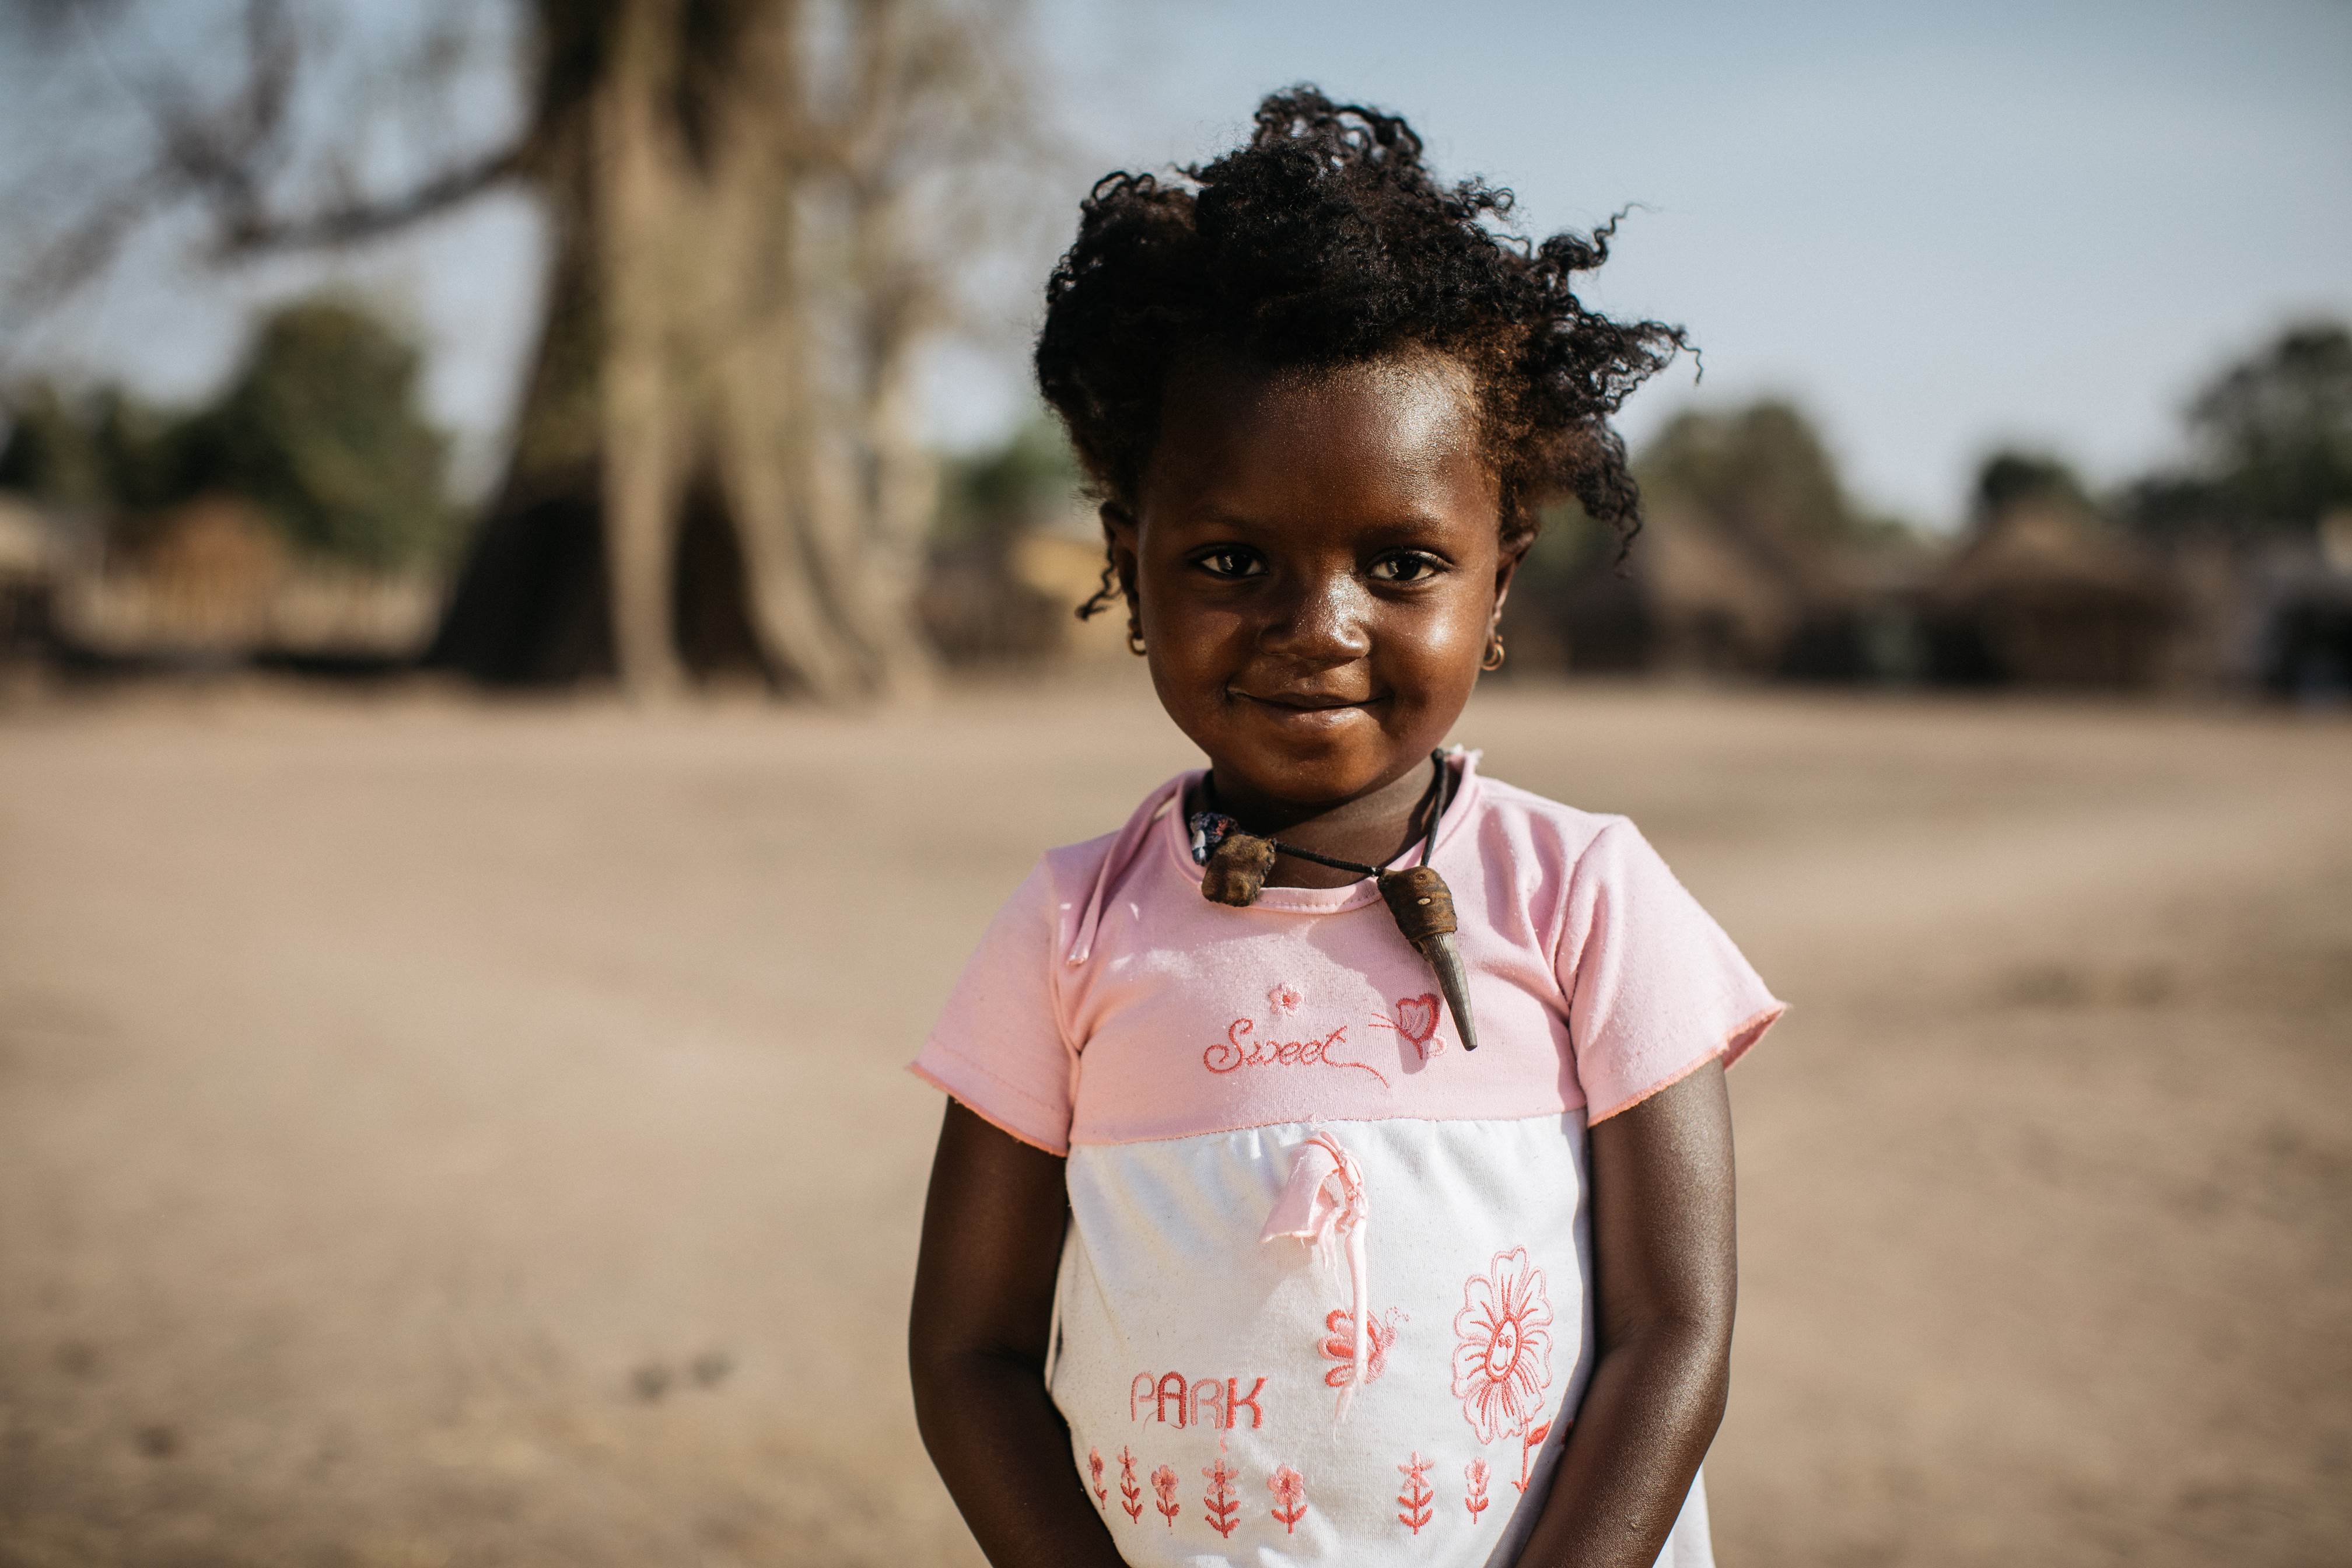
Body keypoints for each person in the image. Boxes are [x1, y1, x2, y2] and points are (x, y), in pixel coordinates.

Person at [907, 88, 1783, 1568]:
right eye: (1233, 557)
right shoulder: (1072, 928)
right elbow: (969, 1359)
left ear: (1497, 584)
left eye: (1400, 562)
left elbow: (1674, 1334)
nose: (1318, 628)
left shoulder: (1589, 896)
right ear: (1130, 568)